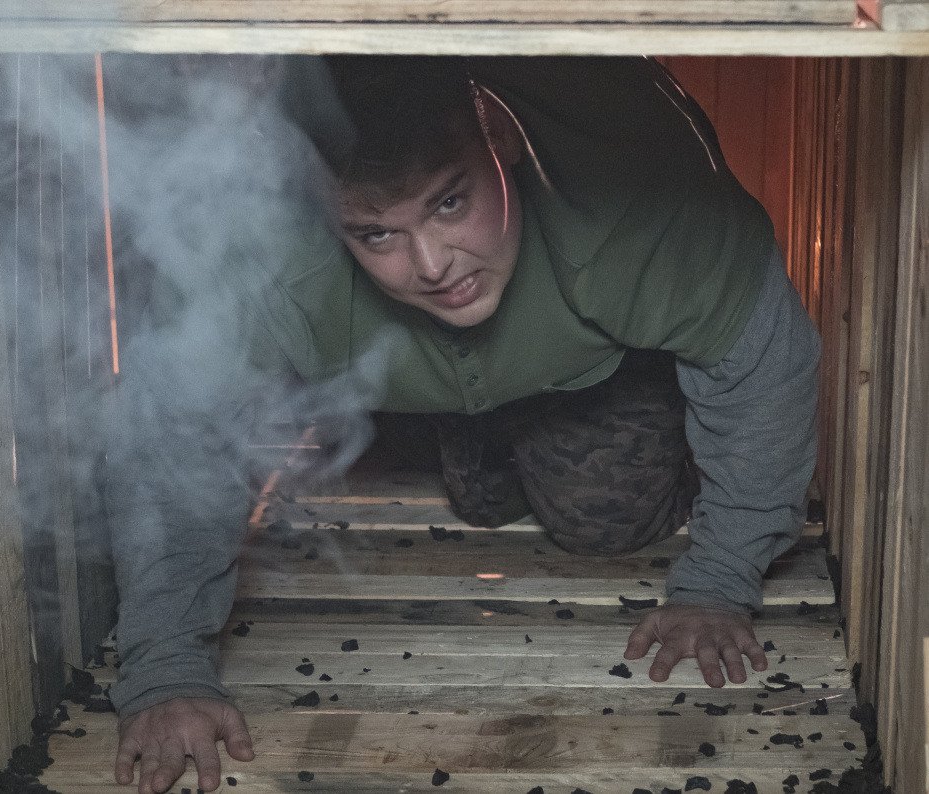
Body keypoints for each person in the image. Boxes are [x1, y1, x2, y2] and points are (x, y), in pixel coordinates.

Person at [108, 55, 821, 793]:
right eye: (376, 235)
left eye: (449, 203)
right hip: (399, 368)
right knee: (476, 495)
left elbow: (763, 373)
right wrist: (166, 667)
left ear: (499, 137)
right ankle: (457, 421)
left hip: (592, 367)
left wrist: (718, 583)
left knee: (604, 517)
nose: (431, 264)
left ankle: (494, 413)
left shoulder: (636, 201)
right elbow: (174, 444)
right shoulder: (251, 248)